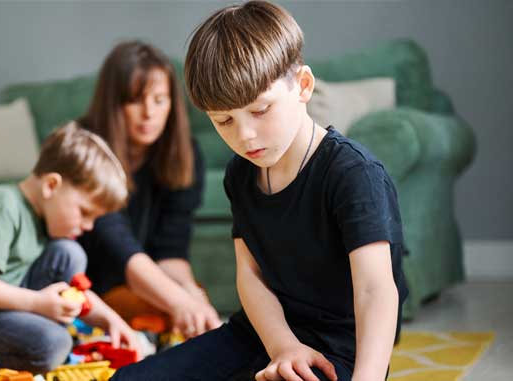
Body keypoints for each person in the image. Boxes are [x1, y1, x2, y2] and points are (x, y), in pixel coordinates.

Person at [111, 2, 408, 381]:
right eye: (224, 121)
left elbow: (375, 291)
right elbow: (250, 275)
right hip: (263, 334)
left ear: (302, 86)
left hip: (340, 349)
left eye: (260, 110)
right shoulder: (241, 174)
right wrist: (281, 345)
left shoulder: (353, 174)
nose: (244, 135)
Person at [0, 123, 140, 373]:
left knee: (69, 253)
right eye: (84, 212)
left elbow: (71, 291)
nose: (88, 226)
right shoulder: (1, 208)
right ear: (51, 185)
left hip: (8, 309)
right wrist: (38, 304)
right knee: (53, 344)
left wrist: (111, 320)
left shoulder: (44, 218)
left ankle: (37, 329)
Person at [76, 41, 222, 338]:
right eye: (135, 100)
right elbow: (118, 246)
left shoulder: (185, 153)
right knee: (170, 307)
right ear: (114, 103)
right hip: (92, 281)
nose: (149, 113)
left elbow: (171, 251)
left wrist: (191, 295)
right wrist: (177, 301)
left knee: (192, 301)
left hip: (144, 278)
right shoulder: (84, 147)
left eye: (159, 100)